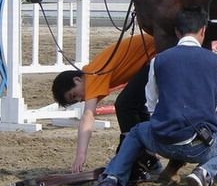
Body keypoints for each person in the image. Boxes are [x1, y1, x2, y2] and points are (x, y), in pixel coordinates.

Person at [93, 6, 217, 186]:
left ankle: (112, 177)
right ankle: (204, 171)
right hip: (197, 147)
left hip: (161, 141)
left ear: (177, 32)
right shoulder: (216, 61)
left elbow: (150, 103)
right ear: (203, 30)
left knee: (135, 132)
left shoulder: (157, 60)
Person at [51, 33, 162, 178]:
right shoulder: (93, 75)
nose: (81, 99)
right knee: (133, 104)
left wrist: (80, 154)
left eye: (74, 95)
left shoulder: (91, 75)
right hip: (154, 53)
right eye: (76, 100)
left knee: (125, 105)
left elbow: (88, 116)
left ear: (77, 79)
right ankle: (147, 157)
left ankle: (139, 155)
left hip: (157, 50)